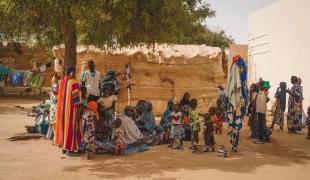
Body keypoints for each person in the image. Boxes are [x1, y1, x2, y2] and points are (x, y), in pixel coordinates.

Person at [55, 67, 82, 156]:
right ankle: (69, 150)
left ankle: (64, 147)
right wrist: (79, 109)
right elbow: (76, 98)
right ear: (72, 73)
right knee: (71, 128)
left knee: (64, 128)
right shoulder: (73, 82)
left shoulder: (62, 82)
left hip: (62, 110)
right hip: (71, 110)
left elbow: (55, 92)